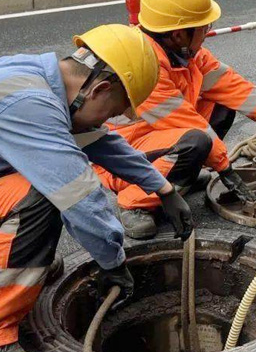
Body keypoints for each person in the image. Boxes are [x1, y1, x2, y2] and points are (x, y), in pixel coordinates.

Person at [0, 24, 193, 351]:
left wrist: (163, 189)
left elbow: (101, 142)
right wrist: (112, 261)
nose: (107, 122)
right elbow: (81, 197)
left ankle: (23, 264)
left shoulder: (44, 82)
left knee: (41, 194)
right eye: (114, 112)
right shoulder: (30, 105)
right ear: (101, 88)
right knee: (44, 196)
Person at [99, 0, 256, 239]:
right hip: (121, 156)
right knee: (196, 142)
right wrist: (225, 168)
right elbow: (187, 123)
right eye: (203, 28)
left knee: (222, 106)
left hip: (155, 139)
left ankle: (180, 175)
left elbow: (233, 87)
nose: (207, 33)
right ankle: (135, 202)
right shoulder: (143, 64)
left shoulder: (185, 54)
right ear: (179, 34)